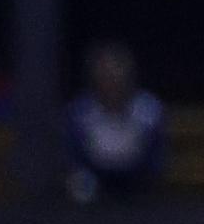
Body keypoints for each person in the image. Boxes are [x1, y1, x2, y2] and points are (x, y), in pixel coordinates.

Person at [63, 42, 167, 205]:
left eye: (116, 75)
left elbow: (156, 154)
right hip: (94, 182)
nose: (111, 82)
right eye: (105, 75)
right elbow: (73, 154)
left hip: (137, 181)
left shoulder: (148, 109)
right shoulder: (80, 112)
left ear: (129, 76)